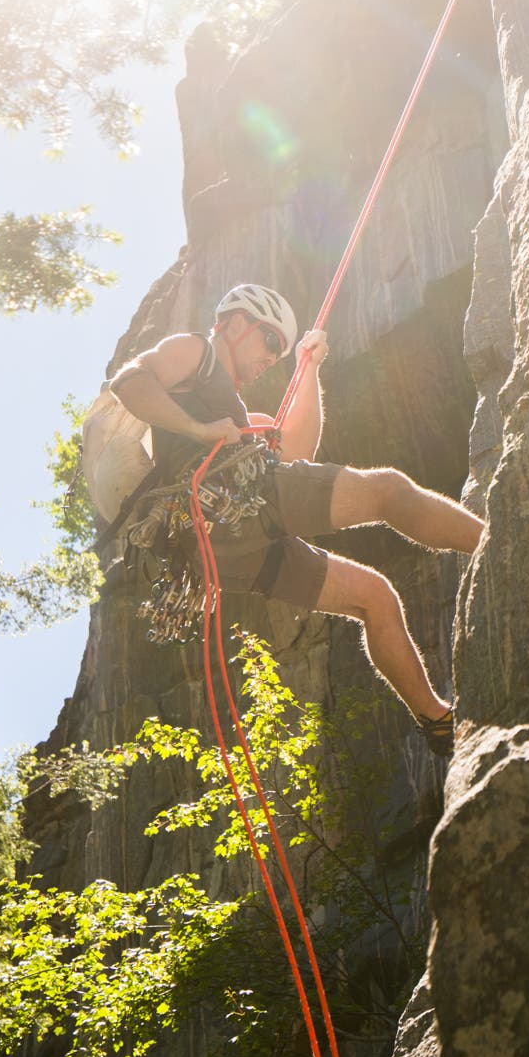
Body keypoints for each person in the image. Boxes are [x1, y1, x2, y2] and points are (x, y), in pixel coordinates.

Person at [108, 283, 483, 758]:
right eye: (270, 342)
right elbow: (130, 381)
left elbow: (299, 452)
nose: (273, 357)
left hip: (230, 552)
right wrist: (199, 430)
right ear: (237, 323)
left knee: (375, 598)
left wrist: (309, 367)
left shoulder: (242, 417)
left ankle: (438, 723)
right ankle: (497, 539)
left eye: (280, 351)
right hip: (228, 502)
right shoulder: (197, 352)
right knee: (386, 490)